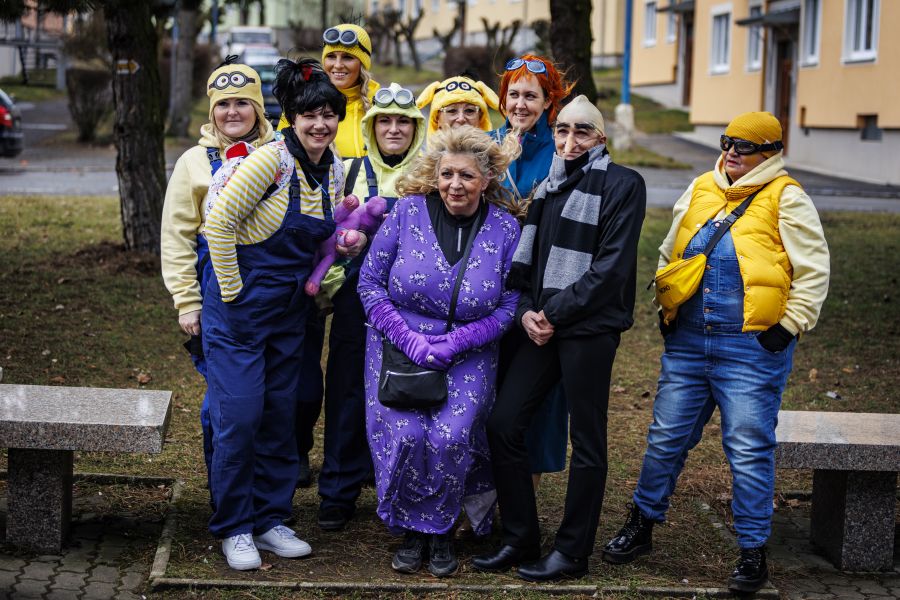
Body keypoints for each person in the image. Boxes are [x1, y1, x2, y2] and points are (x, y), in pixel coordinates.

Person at [602, 111, 830, 594]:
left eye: (744, 147)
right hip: (687, 343)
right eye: (727, 143)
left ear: (769, 153)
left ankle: (752, 552)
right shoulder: (701, 187)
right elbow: (670, 251)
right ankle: (641, 525)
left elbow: (814, 271)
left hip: (752, 348)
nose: (731, 153)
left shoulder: (787, 197)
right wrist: (667, 308)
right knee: (665, 439)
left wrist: (787, 329)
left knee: (747, 449)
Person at [474, 96, 647, 581]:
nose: (571, 141)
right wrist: (528, 311)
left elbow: (611, 269)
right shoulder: (547, 187)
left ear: (601, 138)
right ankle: (521, 537)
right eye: (563, 131)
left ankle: (572, 552)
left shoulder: (623, 184)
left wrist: (552, 312)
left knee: (587, 441)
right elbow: (528, 265)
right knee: (504, 423)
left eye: (582, 132)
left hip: (589, 329)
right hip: (543, 326)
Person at [201, 57, 356, 571]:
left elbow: (322, 235)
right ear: (291, 117)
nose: (320, 125)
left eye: (329, 115)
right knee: (240, 418)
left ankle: (269, 519)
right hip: (239, 313)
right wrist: (233, 292)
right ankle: (234, 526)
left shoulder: (333, 168)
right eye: (309, 115)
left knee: (279, 419)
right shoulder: (270, 161)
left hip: (290, 312)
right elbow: (218, 224)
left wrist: (343, 246)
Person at [358, 126, 522, 577]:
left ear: (486, 179)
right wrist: (408, 339)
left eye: (466, 176)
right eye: (447, 174)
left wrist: (457, 342)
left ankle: (442, 528)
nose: (455, 185)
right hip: (398, 347)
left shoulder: (506, 229)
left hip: (469, 351)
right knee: (408, 434)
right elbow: (369, 283)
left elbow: (510, 305)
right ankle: (413, 530)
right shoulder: (407, 212)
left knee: (450, 436)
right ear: (436, 174)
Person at [313, 83, 428, 532]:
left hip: (412, 306)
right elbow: (327, 228)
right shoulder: (349, 171)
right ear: (371, 127)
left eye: (403, 122)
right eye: (385, 122)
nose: (394, 129)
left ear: (415, 128)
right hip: (355, 299)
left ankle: (396, 489)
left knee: (405, 395)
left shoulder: (432, 175)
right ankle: (338, 490)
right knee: (346, 389)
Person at [160, 59, 275, 498]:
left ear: (258, 108)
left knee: (274, 401)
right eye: (223, 104)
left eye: (242, 103)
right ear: (212, 111)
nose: (232, 112)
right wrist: (186, 301)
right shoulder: (194, 162)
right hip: (218, 295)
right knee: (226, 404)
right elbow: (177, 235)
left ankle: (266, 502)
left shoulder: (280, 153)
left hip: (275, 292)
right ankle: (226, 495)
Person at [491, 54, 575, 492]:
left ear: (549, 101)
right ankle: (480, 492)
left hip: (539, 285)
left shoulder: (561, 150)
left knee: (536, 395)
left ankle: (525, 492)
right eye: (513, 94)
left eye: (531, 96)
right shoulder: (488, 145)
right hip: (488, 284)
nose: (520, 104)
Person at [276, 23, 378, 159]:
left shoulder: (381, 104)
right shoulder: (302, 101)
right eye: (331, 56)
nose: (338, 65)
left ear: (363, 63)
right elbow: (281, 155)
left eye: (347, 57)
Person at [416, 74, 500, 134]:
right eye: (452, 110)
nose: (461, 119)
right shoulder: (420, 155)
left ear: (480, 117)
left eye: (469, 110)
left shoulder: (499, 153)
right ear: (437, 118)